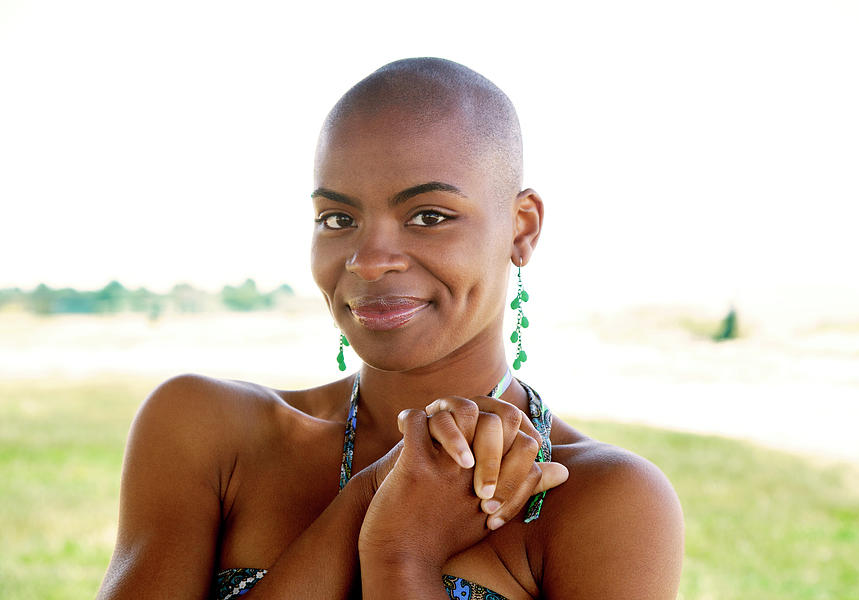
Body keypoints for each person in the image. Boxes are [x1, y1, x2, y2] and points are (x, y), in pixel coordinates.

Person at [97, 57, 683, 600]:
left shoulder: (601, 500)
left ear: (521, 228)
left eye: (429, 216)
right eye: (337, 218)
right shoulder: (207, 431)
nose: (369, 259)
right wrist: (367, 499)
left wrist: (402, 553)